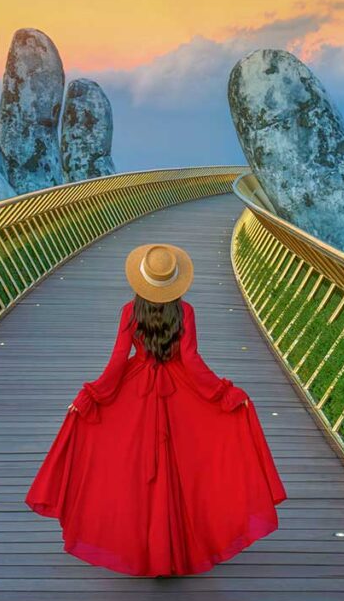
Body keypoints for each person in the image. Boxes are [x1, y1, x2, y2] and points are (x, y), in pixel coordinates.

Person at [25, 243, 287, 577]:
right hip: (179, 388)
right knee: (179, 467)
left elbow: (119, 360)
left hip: (137, 387)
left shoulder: (129, 311)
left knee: (135, 472)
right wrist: (223, 393)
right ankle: (174, 551)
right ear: (175, 282)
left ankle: (146, 550)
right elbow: (190, 360)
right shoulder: (186, 311)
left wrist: (92, 395)